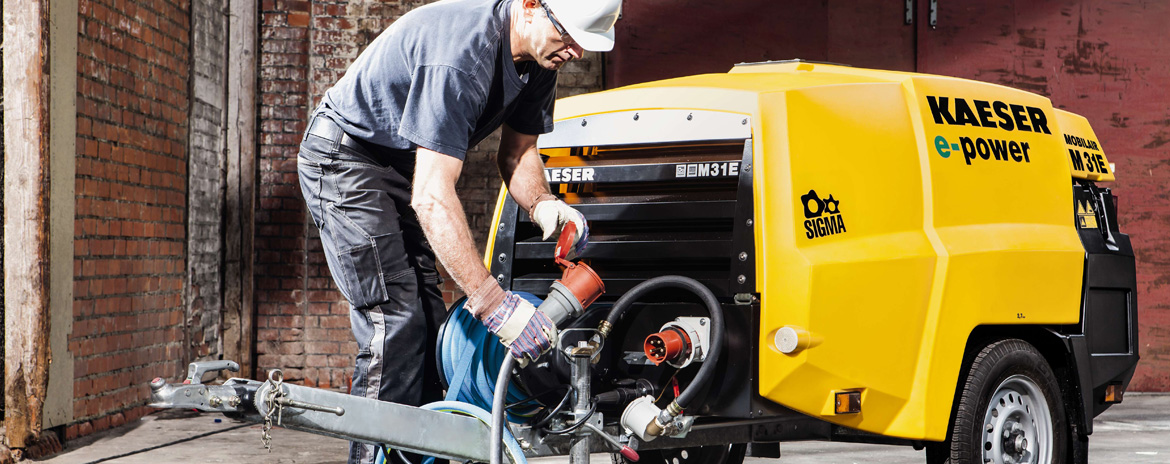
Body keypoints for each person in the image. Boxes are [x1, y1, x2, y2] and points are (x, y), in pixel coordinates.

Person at [296, 0, 621, 462]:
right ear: (531, 6)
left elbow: (519, 151)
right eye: (568, 37)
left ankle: (418, 453)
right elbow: (431, 195)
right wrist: (493, 304)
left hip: (398, 164)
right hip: (346, 159)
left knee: (428, 322)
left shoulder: (540, 58)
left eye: (582, 45)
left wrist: (543, 203)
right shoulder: (462, 54)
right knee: (394, 320)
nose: (575, 53)